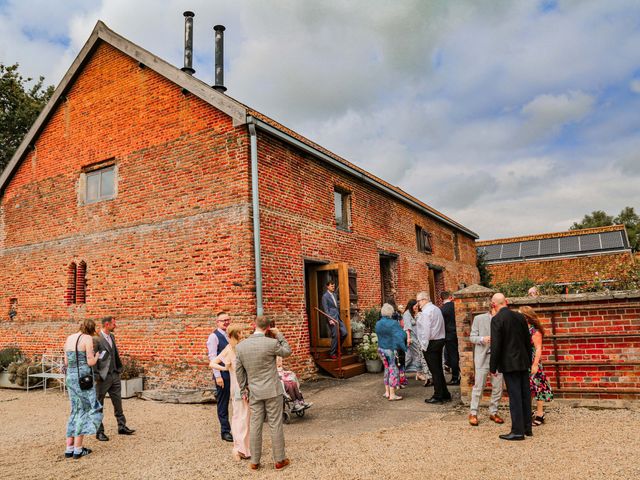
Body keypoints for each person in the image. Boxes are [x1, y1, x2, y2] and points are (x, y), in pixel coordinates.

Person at [236, 316, 292, 471]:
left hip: (254, 390)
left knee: (255, 425)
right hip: (273, 390)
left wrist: (243, 389)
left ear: (254, 325)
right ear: (268, 328)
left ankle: (254, 461)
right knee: (275, 424)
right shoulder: (272, 343)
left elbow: (239, 372)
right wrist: (279, 334)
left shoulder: (241, 347)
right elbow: (287, 351)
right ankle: (279, 460)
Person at [490, 293, 532, 440]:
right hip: (523, 361)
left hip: (509, 363)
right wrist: (529, 359)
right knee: (525, 395)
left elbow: (496, 345)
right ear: (506, 302)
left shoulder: (497, 319)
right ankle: (527, 427)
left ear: (494, 305)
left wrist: (492, 367)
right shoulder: (520, 317)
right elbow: (528, 340)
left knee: (514, 397)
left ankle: (518, 431)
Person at [210, 324, 251, 461]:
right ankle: (239, 449)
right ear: (237, 334)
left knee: (239, 417)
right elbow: (212, 363)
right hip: (242, 387)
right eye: (241, 332)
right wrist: (225, 369)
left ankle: (241, 448)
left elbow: (212, 363)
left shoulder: (229, 348)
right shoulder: (240, 348)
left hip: (236, 387)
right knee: (243, 418)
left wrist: (225, 368)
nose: (243, 333)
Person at [64, 319, 103, 459]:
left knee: (74, 410)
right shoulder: (86, 338)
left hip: (70, 378)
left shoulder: (69, 338)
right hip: (83, 380)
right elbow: (90, 361)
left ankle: (69, 448)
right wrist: (97, 356)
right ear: (91, 330)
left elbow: (66, 362)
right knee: (84, 410)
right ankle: (78, 449)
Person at [94, 316, 135, 441]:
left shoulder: (112, 336)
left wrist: (118, 369)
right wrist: (96, 376)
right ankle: (99, 431)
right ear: (107, 324)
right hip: (102, 377)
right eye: (113, 324)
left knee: (118, 402)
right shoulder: (96, 339)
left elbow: (114, 354)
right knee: (99, 404)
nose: (115, 326)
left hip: (114, 374)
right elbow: (93, 358)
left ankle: (122, 426)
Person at [468, 307, 504, 426]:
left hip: (498, 358)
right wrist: (483, 339)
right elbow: (472, 337)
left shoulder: (502, 319)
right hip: (482, 358)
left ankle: (493, 412)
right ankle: (473, 413)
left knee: (498, 387)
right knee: (479, 386)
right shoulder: (479, 319)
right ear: (493, 307)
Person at [520, 306, 553, 426]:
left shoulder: (535, 331)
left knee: (538, 387)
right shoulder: (522, 329)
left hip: (534, 362)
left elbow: (538, 349)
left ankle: (540, 414)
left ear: (527, 316)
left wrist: (535, 364)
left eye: (521, 315)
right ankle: (528, 413)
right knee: (528, 388)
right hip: (524, 361)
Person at [416, 291, 451, 404]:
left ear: (425, 299)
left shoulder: (426, 312)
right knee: (438, 370)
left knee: (434, 370)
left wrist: (424, 346)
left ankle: (438, 395)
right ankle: (445, 393)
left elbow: (425, 331)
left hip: (431, 343)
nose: (418, 304)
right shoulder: (436, 309)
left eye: (419, 301)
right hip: (440, 340)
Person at [206, 311, 233, 442]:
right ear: (217, 322)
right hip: (222, 373)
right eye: (223, 320)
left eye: (228, 320)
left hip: (232, 372)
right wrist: (218, 376)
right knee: (223, 402)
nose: (226, 322)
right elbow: (212, 357)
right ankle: (225, 431)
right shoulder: (214, 336)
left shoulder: (230, 335)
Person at [375, 303, 408, 401]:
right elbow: (401, 335)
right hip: (390, 349)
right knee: (393, 369)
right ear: (391, 312)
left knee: (386, 369)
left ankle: (386, 392)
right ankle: (392, 394)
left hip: (381, 349)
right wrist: (404, 345)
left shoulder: (378, 323)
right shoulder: (393, 323)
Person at [321, 281, 347, 359]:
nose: (333, 287)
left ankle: (338, 348)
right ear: (327, 287)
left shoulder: (335, 295)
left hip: (338, 317)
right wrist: (329, 319)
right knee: (335, 335)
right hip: (332, 318)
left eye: (334, 286)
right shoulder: (325, 297)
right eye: (332, 286)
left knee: (344, 333)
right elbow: (326, 309)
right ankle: (332, 353)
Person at [440, 291, 460, 385]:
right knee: (459, 355)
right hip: (458, 333)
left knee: (453, 356)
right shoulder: (456, 306)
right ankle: (460, 374)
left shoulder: (442, 309)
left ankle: (455, 377)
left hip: (448, 335)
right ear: (450, 297)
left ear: (442, 299)